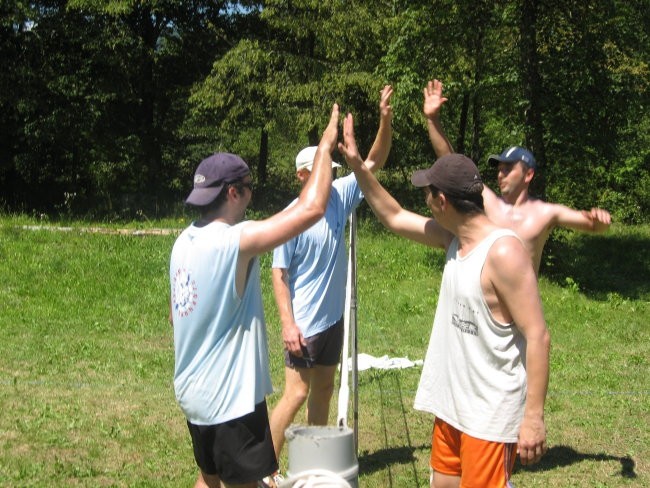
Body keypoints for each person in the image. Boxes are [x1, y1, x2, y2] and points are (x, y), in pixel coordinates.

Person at [338, 112, 551, 488]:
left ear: (441, 200)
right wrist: (357, 166)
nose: (425, 200)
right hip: (451, 405)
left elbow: (538, 335)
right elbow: (393, 215)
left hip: (488, 413)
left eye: (427, 193)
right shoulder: (452, 238)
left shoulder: (503, 253)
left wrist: (532, 417)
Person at [169, 104, 340, 488]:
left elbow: (175, 313)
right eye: (249, 188)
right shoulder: (235, 241)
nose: (251, 196)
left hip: (195, 397)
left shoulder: (182, 242)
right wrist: (326, 148)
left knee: (209, 478)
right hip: (230, 401)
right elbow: (312, 208)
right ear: (233, 192)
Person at [268, 86, 394, 475]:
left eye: (332, 171)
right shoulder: (292, 216)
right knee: (295, 393)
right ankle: (261, 471)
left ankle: (312, 466)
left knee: (322, 390)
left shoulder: (339, 196)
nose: (331, 177)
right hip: (303, 324)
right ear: (303, 174)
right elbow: (279, 273)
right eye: (324, 169)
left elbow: (372, 162)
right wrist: (288, 324)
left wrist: (385, 120)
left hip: (332, 321)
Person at [423, 79, 611, 273]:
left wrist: (601, 221)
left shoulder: (545, 213)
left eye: (508, 169)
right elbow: (450, 161)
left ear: (528, 174)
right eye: (499, 169)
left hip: (521, 302)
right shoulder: (489, 203)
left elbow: (591, 224)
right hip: (486, 301)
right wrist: (433, 119)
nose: (500, 174)